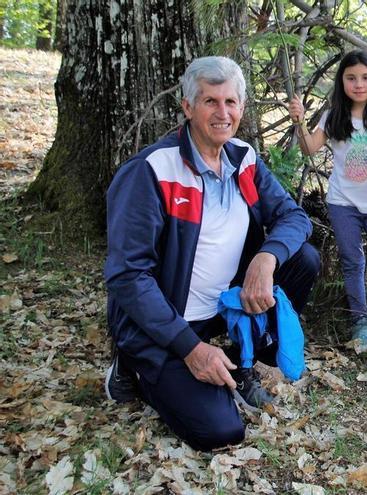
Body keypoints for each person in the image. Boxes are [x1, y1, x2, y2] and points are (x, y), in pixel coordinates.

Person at [103, 56, 320, 451]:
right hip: (170, 321)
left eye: (230, 102)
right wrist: (190, 349)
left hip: (222, 306)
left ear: (242, 107)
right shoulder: (151, 171)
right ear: (187, 107)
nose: (223, 113)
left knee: (303, 258)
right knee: (221, 431)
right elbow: (127, 276)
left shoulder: (243, 159)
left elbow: (294, 216)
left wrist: (265, 259)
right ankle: (134, 367)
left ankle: (243, 360)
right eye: (210, 102)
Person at [288, 50, 367, 351]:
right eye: (351, 78)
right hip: (342, 204)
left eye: (366, 77)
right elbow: (309, 148)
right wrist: (299, 122)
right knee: (353, 262)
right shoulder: (333, 117)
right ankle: (360, 323)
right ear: (341, 81)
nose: (359, 84)